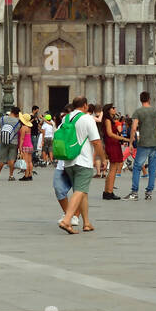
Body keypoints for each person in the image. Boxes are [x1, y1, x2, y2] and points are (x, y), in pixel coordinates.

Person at [58, 98, 105, 235]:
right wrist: (103, 158)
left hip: (68, 160)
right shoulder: (87, 118)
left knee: (82, 192)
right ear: (85, 105)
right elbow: (96, 142)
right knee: (80, 191)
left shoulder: (66, 119)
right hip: (83, 160)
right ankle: (67, 220)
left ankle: (87, 223)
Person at [126, 91, 156, 201]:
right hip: (155, 143)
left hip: (144, 143)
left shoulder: (138, 112)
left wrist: (131, 143)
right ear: (149, 99)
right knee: (152, 168)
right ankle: (149, 192)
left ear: (140, 99)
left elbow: (133, 128)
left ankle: (134, 192)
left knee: (137, 167)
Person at [100, 104, 126, 200]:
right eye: (113, 108)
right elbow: (110, 133)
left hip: (113, 144)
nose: (115, 109)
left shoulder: (109, 120)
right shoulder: (107, 120)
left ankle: (107, 191)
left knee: (112, 169)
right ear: (108, 110)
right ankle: (109, 192)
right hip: (112, 144)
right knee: (113, 169)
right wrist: (123, 138)